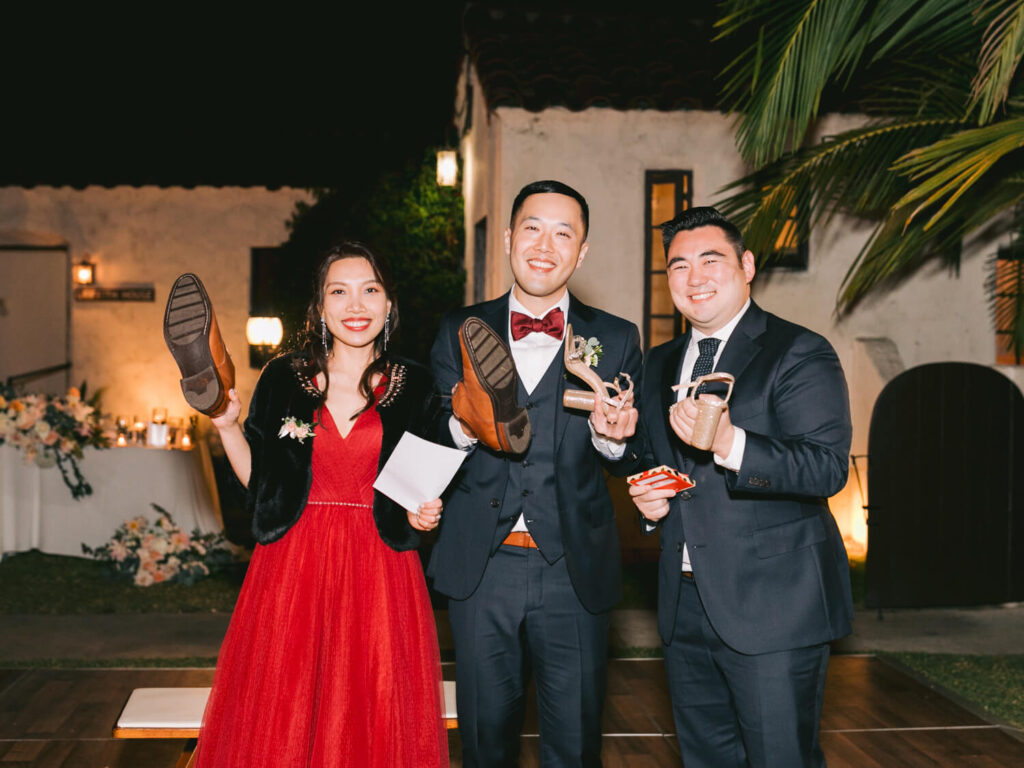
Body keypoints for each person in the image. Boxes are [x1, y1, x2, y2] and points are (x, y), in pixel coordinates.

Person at [165, 242, 449, 767]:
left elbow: (423, 480)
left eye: (370, 290)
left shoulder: (417, 385)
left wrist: (422, 511)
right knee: (283, 711)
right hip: (294, 563)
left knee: (372, 709)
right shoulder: (283, 377)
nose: (355, 304)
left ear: (388, 304)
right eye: (338, 292)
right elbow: (262, 483)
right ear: (320, 307)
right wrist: (227, 426)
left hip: (380, 566)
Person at [628, 206, 853, 768]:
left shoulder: (798, 351)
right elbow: (658, 462)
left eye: (711, 259)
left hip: (774, 606)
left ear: (747, 265)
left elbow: (825, 468)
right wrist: (647, 499)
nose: (694, 277)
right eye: (678, 266)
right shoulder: (658, 363)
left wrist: (733, 445)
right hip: (683, 606)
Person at [428, 180, 642, 767]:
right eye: (532, 227)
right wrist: (465, 425)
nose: (545, 245)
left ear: (582, 252)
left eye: (563, 232)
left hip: (572, 567)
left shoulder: (617, 337)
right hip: (482, 564)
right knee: (483, 740)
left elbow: (625, 451)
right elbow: (429, 437)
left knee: (573, 743)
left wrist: (612, 435)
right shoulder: (457, 329)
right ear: (507, 238)